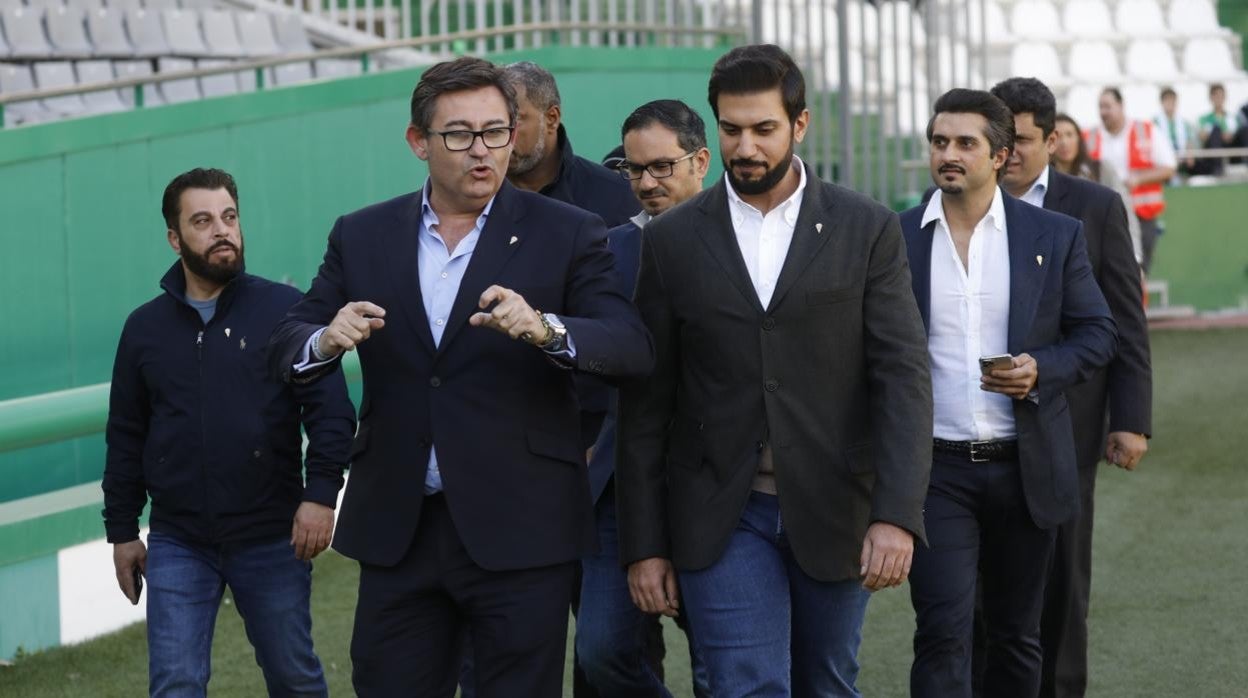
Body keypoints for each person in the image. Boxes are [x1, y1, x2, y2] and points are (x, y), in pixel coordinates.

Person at [267, 56, 653, 698]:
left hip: (524, 528)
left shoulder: (571, 232)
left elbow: (628, 346)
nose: (483, 151)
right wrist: (323, 340)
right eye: (460, 135)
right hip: (400, 527)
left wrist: (547, 330)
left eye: (497, 132)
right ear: (418, 142)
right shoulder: (362, 234)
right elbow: (286, 341)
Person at [617, 44, 933, 697]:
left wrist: (897, 514)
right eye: (731, 129)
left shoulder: (866, 228)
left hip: (836, 505)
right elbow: (649, 403)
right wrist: (644, 545)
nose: (746, 146)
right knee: (744, 684)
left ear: (800, 125)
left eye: (764, 128)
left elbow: (902, 378)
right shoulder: (670, 241)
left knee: (826, 682)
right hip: (719, 512)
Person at [103, 167, 355, 697]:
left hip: (271, 535)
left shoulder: (286, 313)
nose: (221, 230)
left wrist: (320, 495)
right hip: (178, 540)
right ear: (175, 239)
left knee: (293, 678)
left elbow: (329, 410)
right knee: (175, 683)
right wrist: (123, 531)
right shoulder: (143, 329)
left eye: (229, 217)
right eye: (202, 221)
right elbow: (126, 435)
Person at [901, 88, 1117, 698]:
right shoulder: (897, 238)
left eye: (966, 143)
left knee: (1019, 636)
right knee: (942, 632)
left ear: (999, 155)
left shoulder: (1055, 234)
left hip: (1026, 468)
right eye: (940, 141)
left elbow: (1099, 333)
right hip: (936, 471)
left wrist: (1040, 369)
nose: (949, 154)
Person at [991, 77, 1153, 698]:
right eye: (997, 140)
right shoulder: (952, 203)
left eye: (1021, 141)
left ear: (1054, 140)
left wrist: (1130, 418)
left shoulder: (1095, 206)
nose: (1007, 154)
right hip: (971, 432)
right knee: (982, 585)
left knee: (1062, 577)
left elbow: (1123, 324)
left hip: (1068, 427)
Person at [577, 99, 712, 698]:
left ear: (700, 161)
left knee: (723, 659)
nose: (647, 183)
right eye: (634, 170)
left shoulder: (742, 243)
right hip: (617, 486)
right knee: (601, 650)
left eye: (661, 167)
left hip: (719, 481)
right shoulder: (605, 251)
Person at [503, 61, 639, 228]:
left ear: (552, 119)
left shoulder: (617, 197)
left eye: (513, 120)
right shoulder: (471, 198)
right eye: (493, 123)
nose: (500, 134)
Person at [1085, 87, 1176, 272]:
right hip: (1104, 218)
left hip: (1142, 215)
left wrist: (1139, 179)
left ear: (1121, 105)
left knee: (1138, 271)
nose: (1103, 112)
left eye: (1108, 106)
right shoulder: (1090, 136)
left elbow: (1169, 168)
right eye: (1100, 107)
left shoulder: (1147, 131)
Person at [1051, 113, 1141, 263]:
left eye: (1069, 135)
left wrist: (1135, 257)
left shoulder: (1101, 170)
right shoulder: (1044, 179)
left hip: (1102, 256)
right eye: (1058, 136)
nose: (1064, 142)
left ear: (1079, 138)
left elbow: (1126, 213)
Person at [1154, 87, 1197, 178]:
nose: (1170, 103)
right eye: (1167, 100)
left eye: (1172, 100)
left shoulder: (1184, 123)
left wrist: (1189, 154)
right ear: (1162, 102)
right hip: (1163, 161)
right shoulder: (1154, 123)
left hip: (1182, 161)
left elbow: (1189, 141)